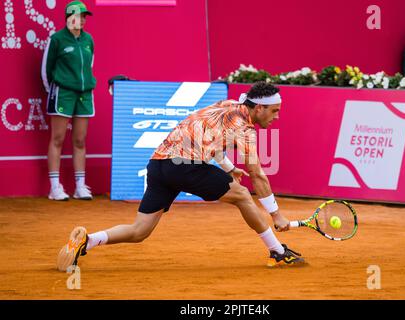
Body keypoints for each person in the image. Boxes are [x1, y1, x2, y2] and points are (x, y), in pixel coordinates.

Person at [56, 82, 305, 271]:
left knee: (140, 231)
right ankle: (277, 251)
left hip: (159, 164)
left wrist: (229, 168)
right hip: (185, 166)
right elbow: (258, 175)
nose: (277, 117)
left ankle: (87, 241)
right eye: (274, 111)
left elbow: (208, 136)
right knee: (242, 195)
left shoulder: (228, 105)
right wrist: (276, 214)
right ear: (259, 108)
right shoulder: (244, 129)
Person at [41, 1, 96, 201]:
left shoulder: (89, 40)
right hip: (62, 93)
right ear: (68, 17)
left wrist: (82, 84)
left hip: (84, 94)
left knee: (80, 140)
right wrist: (54, 89)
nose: (82, 19)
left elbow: (89, 66)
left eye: (84, 16)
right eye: (79, 15)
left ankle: (80, 186)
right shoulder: (57, 39)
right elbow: (46, 70)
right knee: (57, 139)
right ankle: (55, 188)